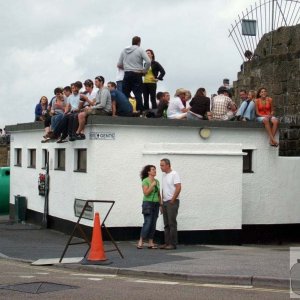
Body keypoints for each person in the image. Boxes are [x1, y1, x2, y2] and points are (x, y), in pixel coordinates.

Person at [117, 36, 151, 113]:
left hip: (127, 74)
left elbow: (119, 64)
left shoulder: (124, 50)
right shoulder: (140, 50)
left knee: (125, 94)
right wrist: (144, 71)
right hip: (137, 74)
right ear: (139, 42)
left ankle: (125, 110)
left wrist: (127, 67)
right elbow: (148, 61)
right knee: (138, 93)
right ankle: (140, 111)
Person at [137, 165, 161, 249]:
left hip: (156, 204)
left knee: (153, 223)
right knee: (148, 222)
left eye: (155, 169)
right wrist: (152, 185)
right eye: (153, 170)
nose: (155, 171)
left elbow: (158, 194)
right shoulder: (145, 181)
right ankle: (141, 241)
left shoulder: (157, 181)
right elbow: (146, 193)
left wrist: (160, 204)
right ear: (148, 172)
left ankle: (151, 242)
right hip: (148, 204)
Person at [159, 158, 181, 250]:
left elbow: (178, 187)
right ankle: (167, 243)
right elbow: (164, 189)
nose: (160, 167)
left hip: (172, 202)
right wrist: (161, 202)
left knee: (172, 223)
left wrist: (172, 199)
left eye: (162, 165)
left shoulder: (174, 174)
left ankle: (173, 244)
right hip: (165, 202)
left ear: (168, 165)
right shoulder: (164, 175)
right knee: (166, 224)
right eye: (160, 165)